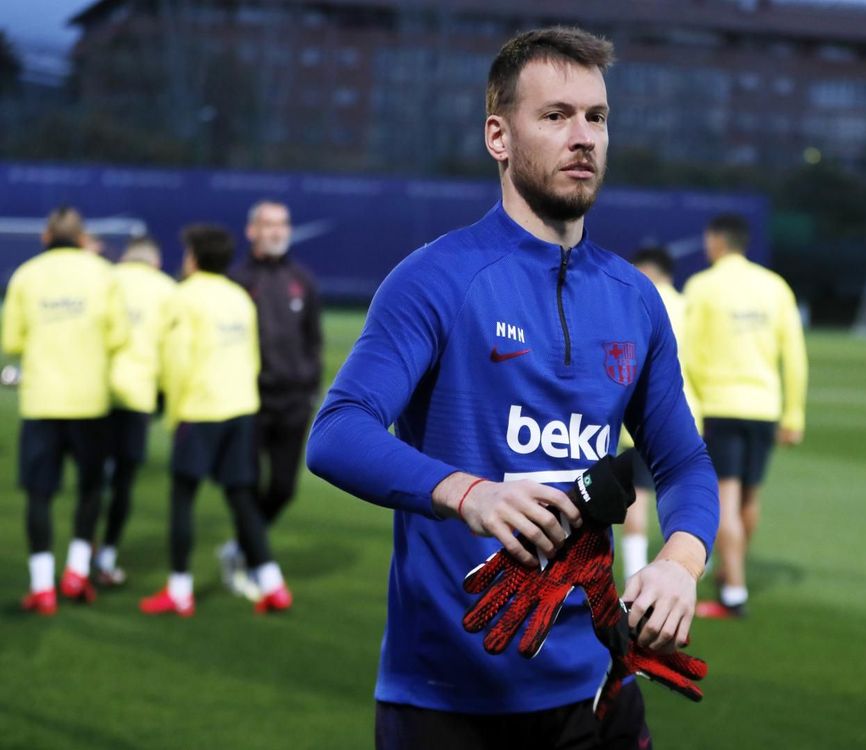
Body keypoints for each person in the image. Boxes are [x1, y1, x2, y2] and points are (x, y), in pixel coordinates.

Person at [306, 26, 718, 750]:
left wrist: (679, 562)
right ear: (499, 136)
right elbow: (339, 431)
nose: (583, 136)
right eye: (555, 116)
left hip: (598, 690)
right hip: (447, 698)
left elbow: (682, 462)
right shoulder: (437, 279)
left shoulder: (635, 298)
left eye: (597, 117)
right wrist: (472, 494)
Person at [139, 225, 292, 617]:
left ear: (194, 257)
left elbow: (176, 360)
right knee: (241, 496)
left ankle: (179, 590)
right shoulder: (239, 296)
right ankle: (273, 585)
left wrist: (173, 412)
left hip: (200, 408)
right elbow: (252, 356)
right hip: (240, 408)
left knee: (183, 498)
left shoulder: (183, 297)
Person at [2, 206, 128, 614]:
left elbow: (12, 343)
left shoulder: (26, 275)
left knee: (39, 493)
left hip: (41, 402)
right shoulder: (103, 274)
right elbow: (119, 336)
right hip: (90, 402)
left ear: (44, 237)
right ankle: (76, 573)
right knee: (90, 489)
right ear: (81, 237)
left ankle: (42, 587)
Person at [683, 213, 808, 619]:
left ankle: (733, 593)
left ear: (716, 240)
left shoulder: (702, 287)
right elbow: (795, 355)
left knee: (725, 502)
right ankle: (730, 571)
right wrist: (794, 412)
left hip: (720, 404)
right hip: (764, 407)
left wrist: (691, 411)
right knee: (750, 498)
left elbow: (682, 354)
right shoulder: (775, 287)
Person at [225, 200, 322, 597]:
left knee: (283, 488)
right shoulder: (236, 280)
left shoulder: (302, 279)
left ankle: (239, 548)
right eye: (268, 224)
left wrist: (311, 386)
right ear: (251, 231)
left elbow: (312, 340)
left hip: (294, 403)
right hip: (249, 402)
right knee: (245, 485)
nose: (277, 231)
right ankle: (252, 560)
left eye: (282, 223)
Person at [96, 235, 177, 586]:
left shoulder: (104, 278)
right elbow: (173, 349)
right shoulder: (167, 289)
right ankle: (107, 557)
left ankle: (78, 559)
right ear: (155, 261)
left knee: (92, 483)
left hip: (95, 395)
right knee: (123, 485)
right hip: (139, 397)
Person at [617, 247, 702, 581]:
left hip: (638, 420)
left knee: (637, 498)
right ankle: (690, 568)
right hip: (686, 415)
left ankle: (636, 576)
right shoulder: (690, 308)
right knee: (687, 496)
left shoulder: (632, 303)